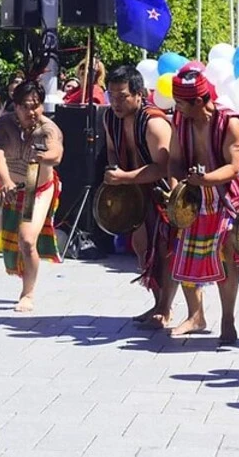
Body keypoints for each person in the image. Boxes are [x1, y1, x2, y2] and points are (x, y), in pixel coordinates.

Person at [0, 81, 65, 312]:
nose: (32, 111)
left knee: (27, 240)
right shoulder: (3, 124)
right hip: (10, 186)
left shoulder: (48, 128)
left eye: (36, 106)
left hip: (37, 188)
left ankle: (28, 293)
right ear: (15, 106)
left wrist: (44, 157)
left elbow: (57, 154)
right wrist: (5, 182)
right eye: (26, 106)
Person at [169, 69, 239, 345]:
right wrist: (175, 190)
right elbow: (175, 160)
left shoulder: (230, 122)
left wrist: (205, 179)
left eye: (181, 102)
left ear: (198, 101)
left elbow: (233, 166)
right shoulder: (180, 120)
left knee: (225, 256)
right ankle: (196, 316)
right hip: (194, 196)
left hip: (225, 196)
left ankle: (227, 319)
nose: (176, 106)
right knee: (186, 256)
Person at [102, 66, 178, 328]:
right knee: (142, 248)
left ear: (138, 94)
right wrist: (114, 170)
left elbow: (165, 167)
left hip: (162, 193)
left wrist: (125, 177)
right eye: (111, 95)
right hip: (134, 192)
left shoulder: (154, 123)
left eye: (122, 96)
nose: (116, 102)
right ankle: (158, 303)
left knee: (165, 251)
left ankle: (166, 309)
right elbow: (112, 151)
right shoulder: (110, 118)